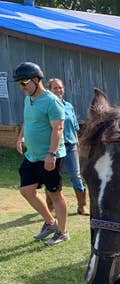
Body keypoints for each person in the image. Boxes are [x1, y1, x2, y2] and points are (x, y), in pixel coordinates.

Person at [14, 62, 70, 246]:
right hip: (32, 155)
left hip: (50, 156)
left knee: (55, 194)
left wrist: (52, 154)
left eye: (24, 83)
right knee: (26, 191)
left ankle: (63, 232)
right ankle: (50, 223)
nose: (22, 87)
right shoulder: (28, 99)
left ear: (37, 80)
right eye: (19, 84)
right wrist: (20, 138)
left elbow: (58, 129)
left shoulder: (52, 101)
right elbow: (27, 120)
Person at [45, 78, 89, 216]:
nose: (58, 90)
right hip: (54, 148)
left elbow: (74, 126)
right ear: (49, 90)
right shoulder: (47, 106)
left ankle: (82, 206)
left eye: (60, 87)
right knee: (52, 176)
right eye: (55, 88)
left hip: (70, 147)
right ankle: (50, 206)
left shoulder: (69, 106)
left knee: (76, 175)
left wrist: (77, 142)